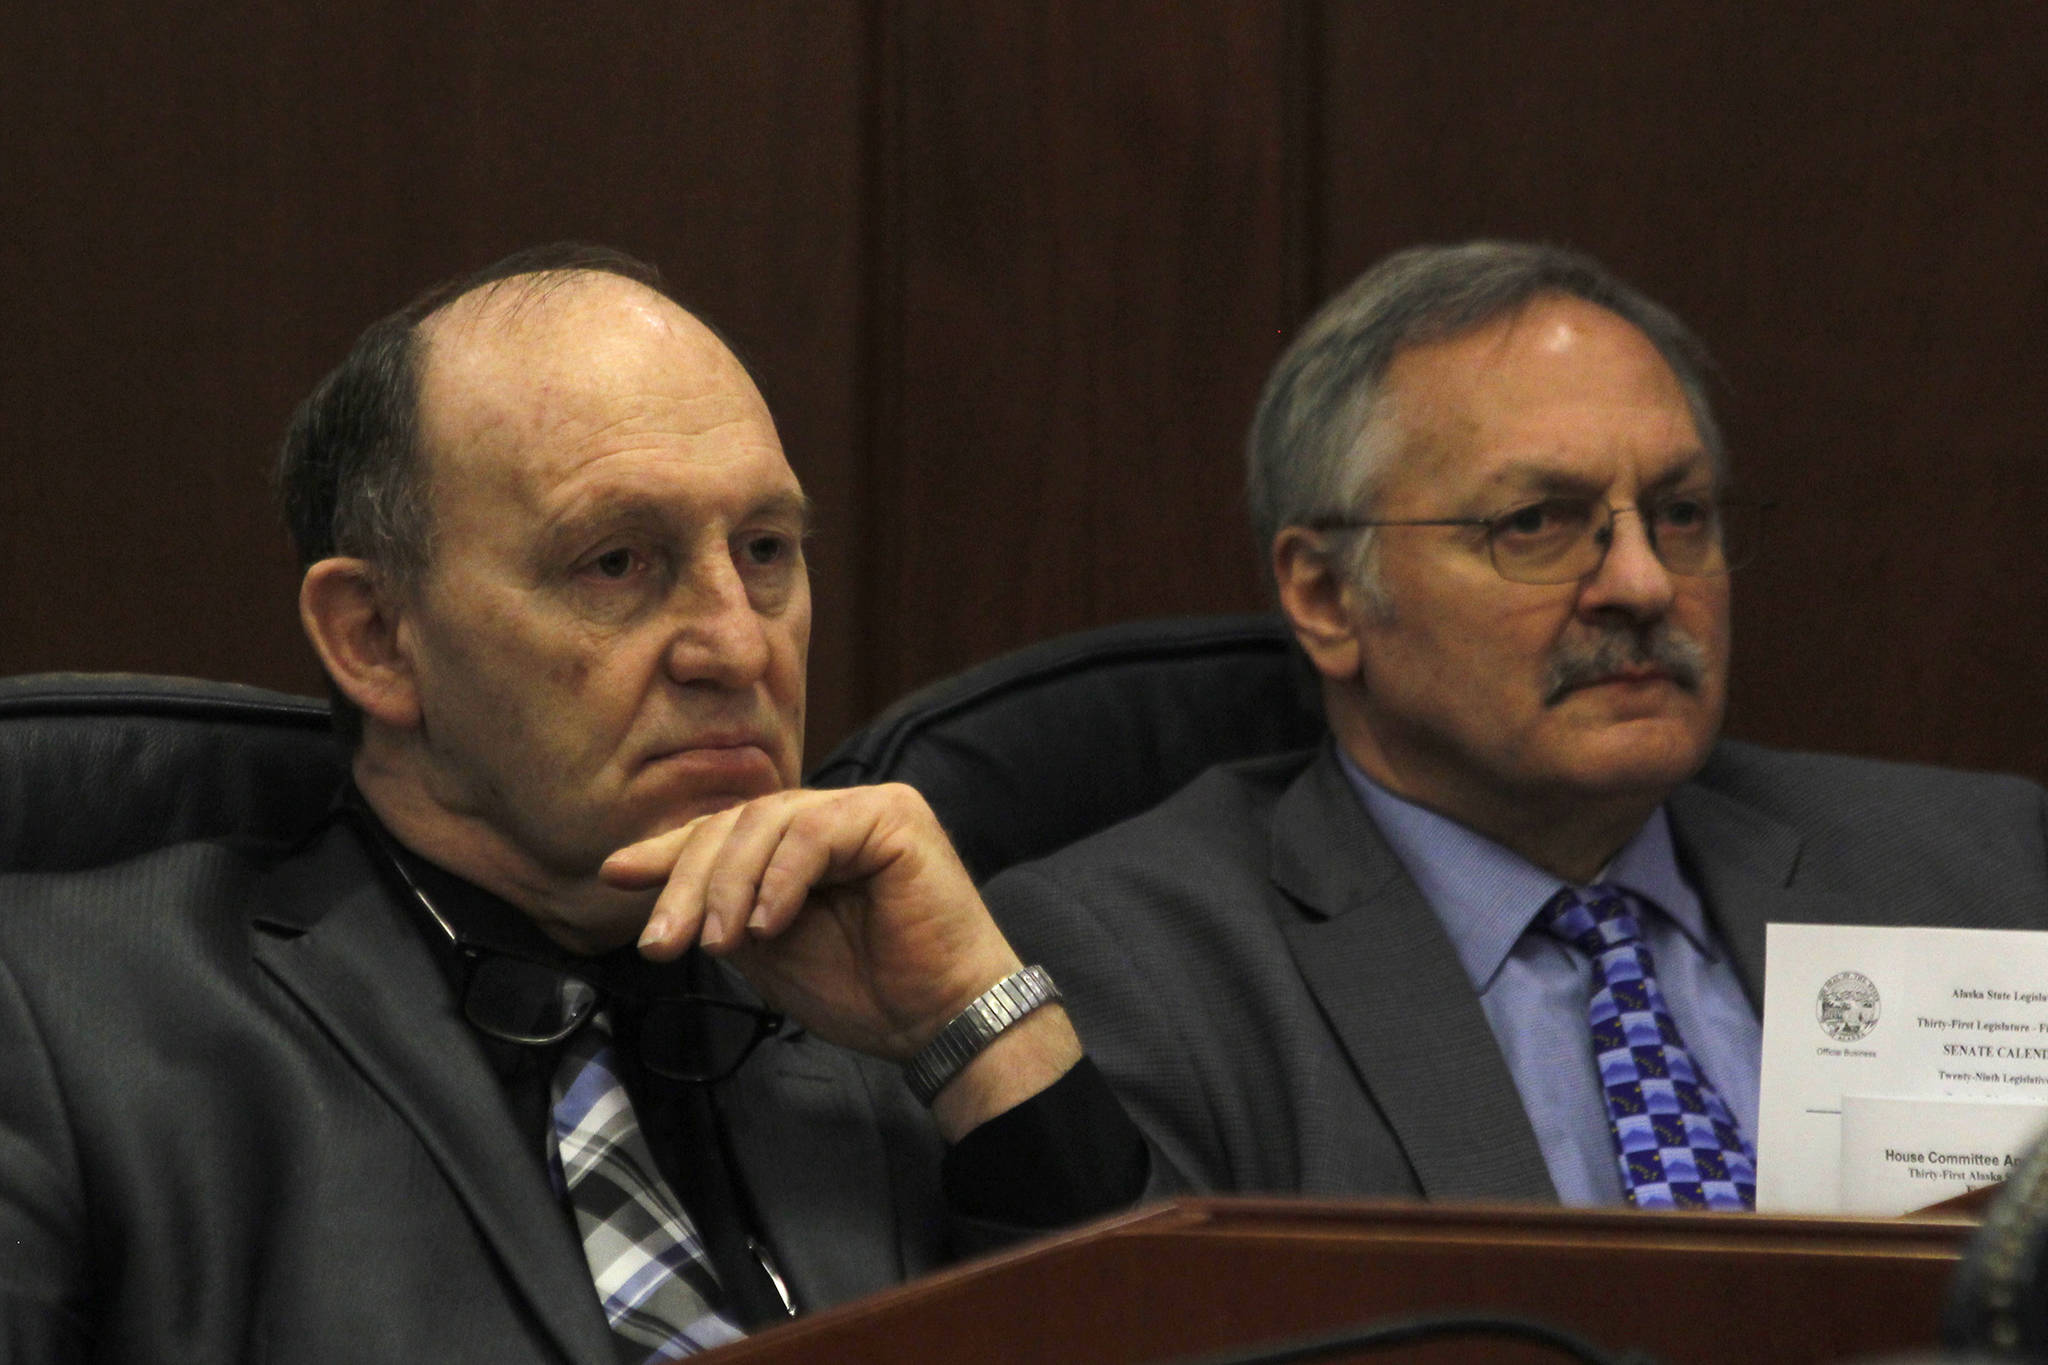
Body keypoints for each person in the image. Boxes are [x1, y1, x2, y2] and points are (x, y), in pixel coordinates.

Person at [0, 245, 1146, 1362]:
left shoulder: (891, 1010)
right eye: (616, 563)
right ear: (377, 638)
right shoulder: (74, 1021)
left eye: (764, 550)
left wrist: (974, 1027)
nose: (737, 645)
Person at [983, 239, 2048, 1212]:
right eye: (1533, 523)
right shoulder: (1142, 969)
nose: (1639, 582)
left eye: (1678, 513)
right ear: (1322, 595)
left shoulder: (1985, 876)